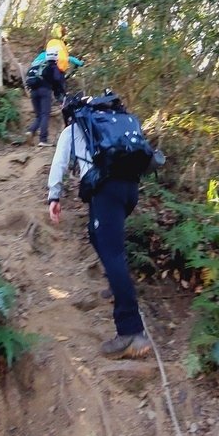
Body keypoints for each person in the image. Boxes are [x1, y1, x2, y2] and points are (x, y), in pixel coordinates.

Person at [47, 96, 152, 359]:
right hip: (129, 189)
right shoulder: (115, 123)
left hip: (106, 191)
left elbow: (59, 163)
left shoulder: (74, 129)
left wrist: (54, 196)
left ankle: (131, 332)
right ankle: (116, 286)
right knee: (97, 236)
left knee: (112, 252)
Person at [25, 48, 65, 147]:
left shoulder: (39, 65)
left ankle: (30, 131)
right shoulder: (53, 67)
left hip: (33, 92)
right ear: (56, 56)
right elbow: (57, 80)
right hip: (45, 92)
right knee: (45, 115)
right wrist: (60, 92)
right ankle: (43, 140)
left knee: (39, 115)